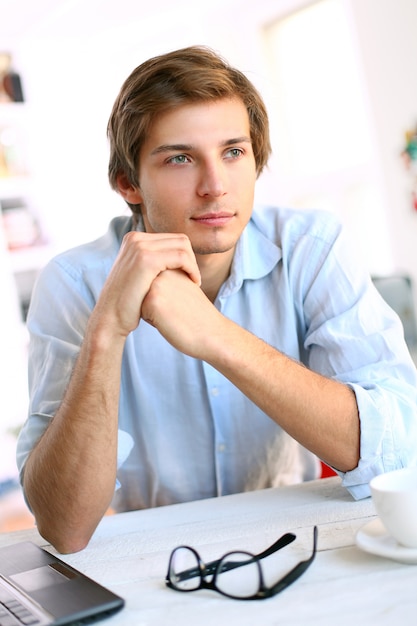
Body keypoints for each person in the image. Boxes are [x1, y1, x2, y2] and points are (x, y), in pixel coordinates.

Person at [16, 45, 417, 554]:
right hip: (152, 556)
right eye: (180, 158)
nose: (215, 186)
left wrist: (216, 336)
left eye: (233, 151)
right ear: (128, 183)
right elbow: (63, 527)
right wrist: (106, 330)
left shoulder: (311, 247)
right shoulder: (74, 282)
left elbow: (397, 457)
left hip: (299, 541)